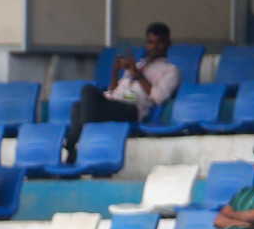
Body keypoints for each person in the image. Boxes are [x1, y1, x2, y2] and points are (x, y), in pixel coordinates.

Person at [65, 23, 180, 160]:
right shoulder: (139, 64)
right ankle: (73, 147)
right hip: (119, 100)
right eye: (150, 43)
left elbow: (158, 97)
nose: (154, 47)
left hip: (133, 107)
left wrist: (137, 74)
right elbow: (115, 91)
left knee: (87, 93)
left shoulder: (170, 70)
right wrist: (115, 72)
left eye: (159, 43)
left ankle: (80, 142)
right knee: (79, 104)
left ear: (168, 43)